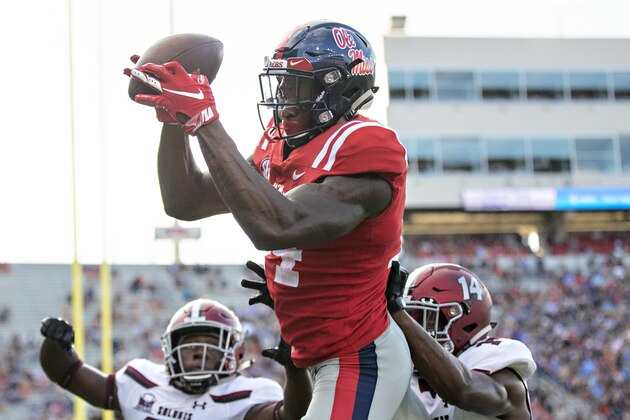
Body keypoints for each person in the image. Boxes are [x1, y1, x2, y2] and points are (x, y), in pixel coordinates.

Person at [126, 20, 412, 419]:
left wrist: (204, 119)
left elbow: (279, 225)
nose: (283, 97)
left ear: (338, 87)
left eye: (296, 84)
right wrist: (176, 122)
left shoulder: (366, 147)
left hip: (358, 354)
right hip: (316, 352)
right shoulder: (280, 146)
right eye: (280, 83)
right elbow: (185, 200)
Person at [39, 298, 312, 419]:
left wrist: (295, 370)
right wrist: (56, 344)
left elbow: (291, 414)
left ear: (233, 352)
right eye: (188, 342)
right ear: (169, 349)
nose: (197, 350)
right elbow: (68, 373)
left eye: (209, 343)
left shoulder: (250, 392)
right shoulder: (141, 378)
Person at [387, 263, 537, 419]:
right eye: (411, 318)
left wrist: (397, 312)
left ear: (465, 323)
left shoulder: (494, 362)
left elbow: (463, 391)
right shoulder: (408, 379)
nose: (413, 329)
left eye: (425, 320)